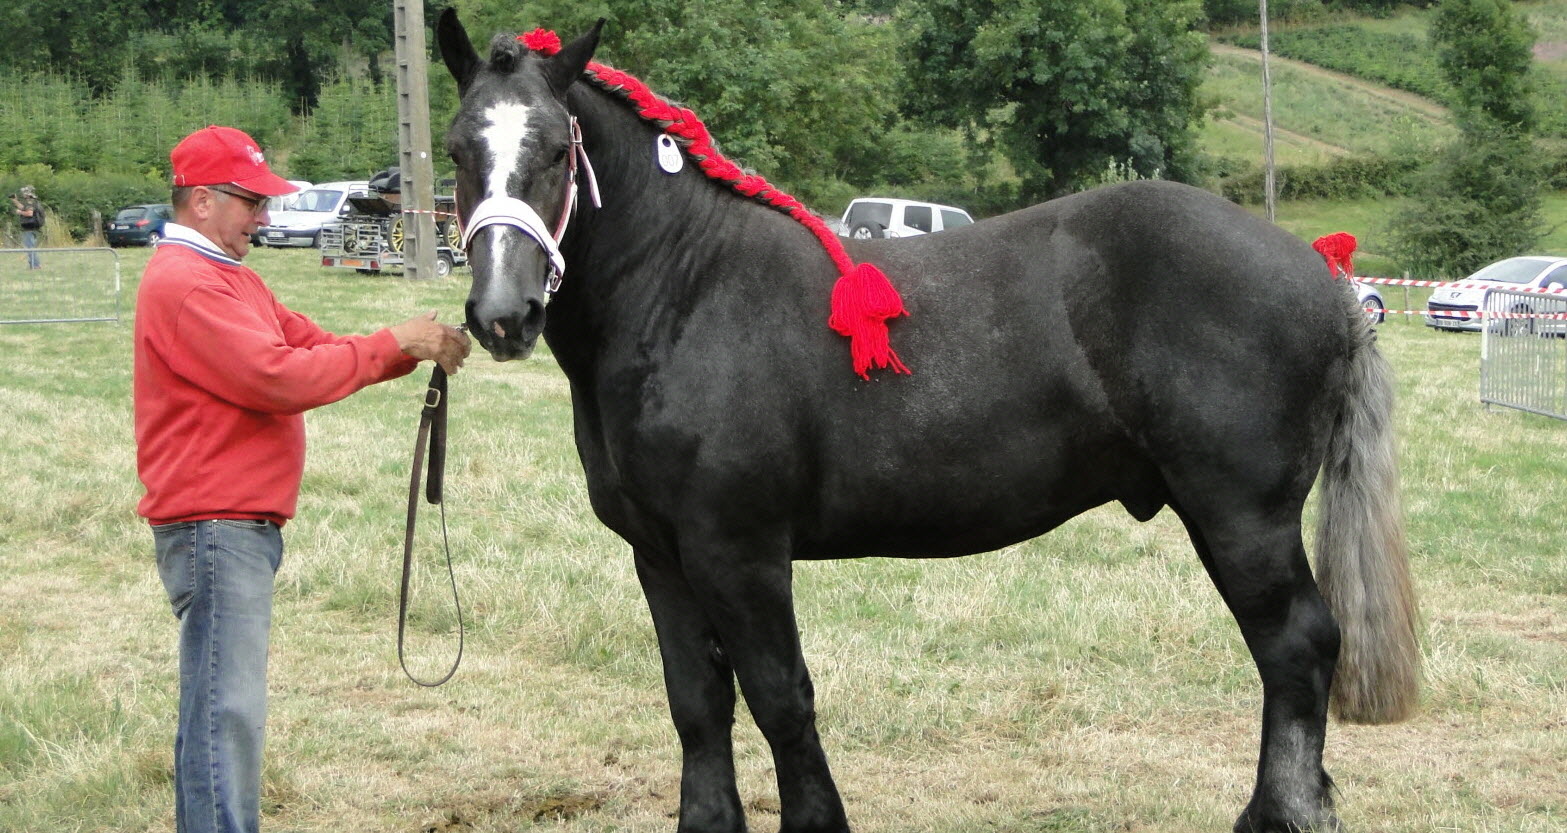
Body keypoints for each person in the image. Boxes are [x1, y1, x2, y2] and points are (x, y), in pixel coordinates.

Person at [133, 125, 470, 833]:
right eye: (250, 201)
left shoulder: (230, 278)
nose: (263, 216)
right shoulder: (189, 282)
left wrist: (400, 348)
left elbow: (308, 342)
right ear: (201, 201)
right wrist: (394, 344)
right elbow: (275, 377)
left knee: (220, 707)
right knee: (227, 711)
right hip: (216, 524)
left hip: (229, 524)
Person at [11, 185, 42, 269]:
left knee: (30, 247)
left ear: (28, 194)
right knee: (30, 246)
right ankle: (35, 264)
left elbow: (29, 213)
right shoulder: (33, 202)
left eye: (24, 193)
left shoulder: (29, 202)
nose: (23, 194)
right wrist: (15, 201)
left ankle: (35, 265)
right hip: (33, 228)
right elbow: (23, 208)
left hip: (30, 229)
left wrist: (19, 212)